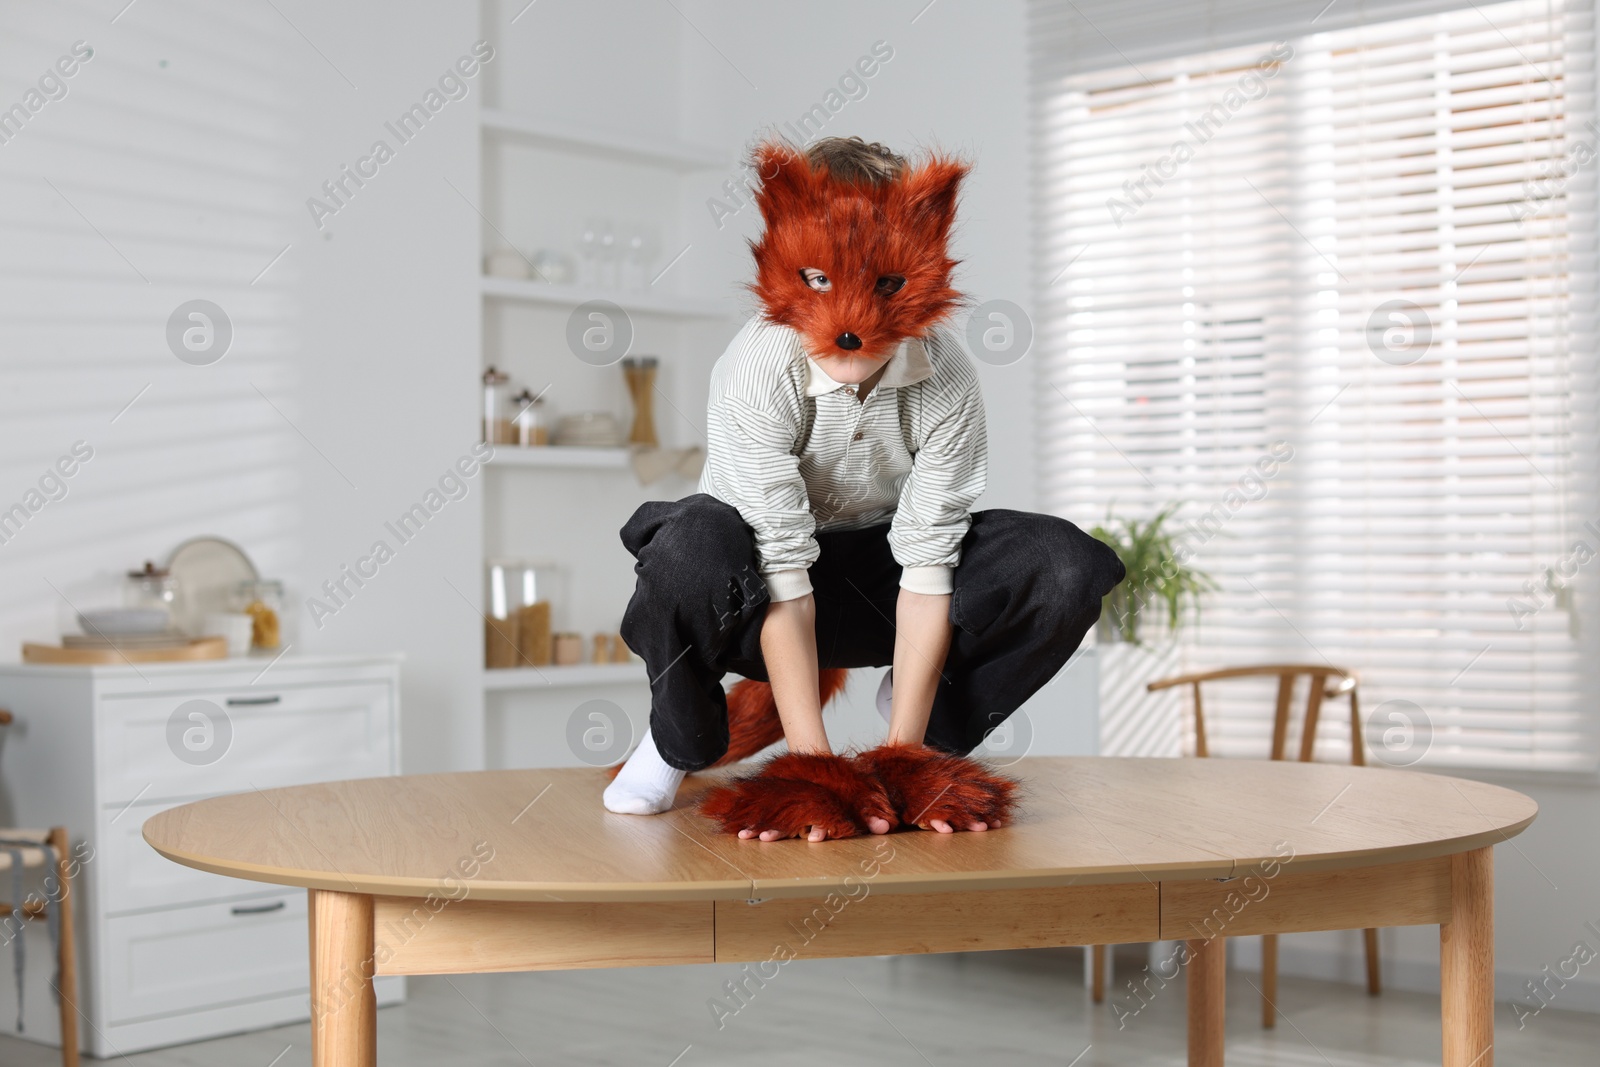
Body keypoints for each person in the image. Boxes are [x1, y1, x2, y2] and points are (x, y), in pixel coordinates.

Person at [602, 135, 1125, 840]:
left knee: (1065, 564)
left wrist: (900, 759)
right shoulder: (757, 367)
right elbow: (783, 567)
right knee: (687, 545)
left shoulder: (946, 375)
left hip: (881, 580)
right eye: (820, 278)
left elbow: (929, 564)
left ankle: (928, 722)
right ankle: (674, 740)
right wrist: (816, 774)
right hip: (753, 591)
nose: (850, 325)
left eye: (882, 283)